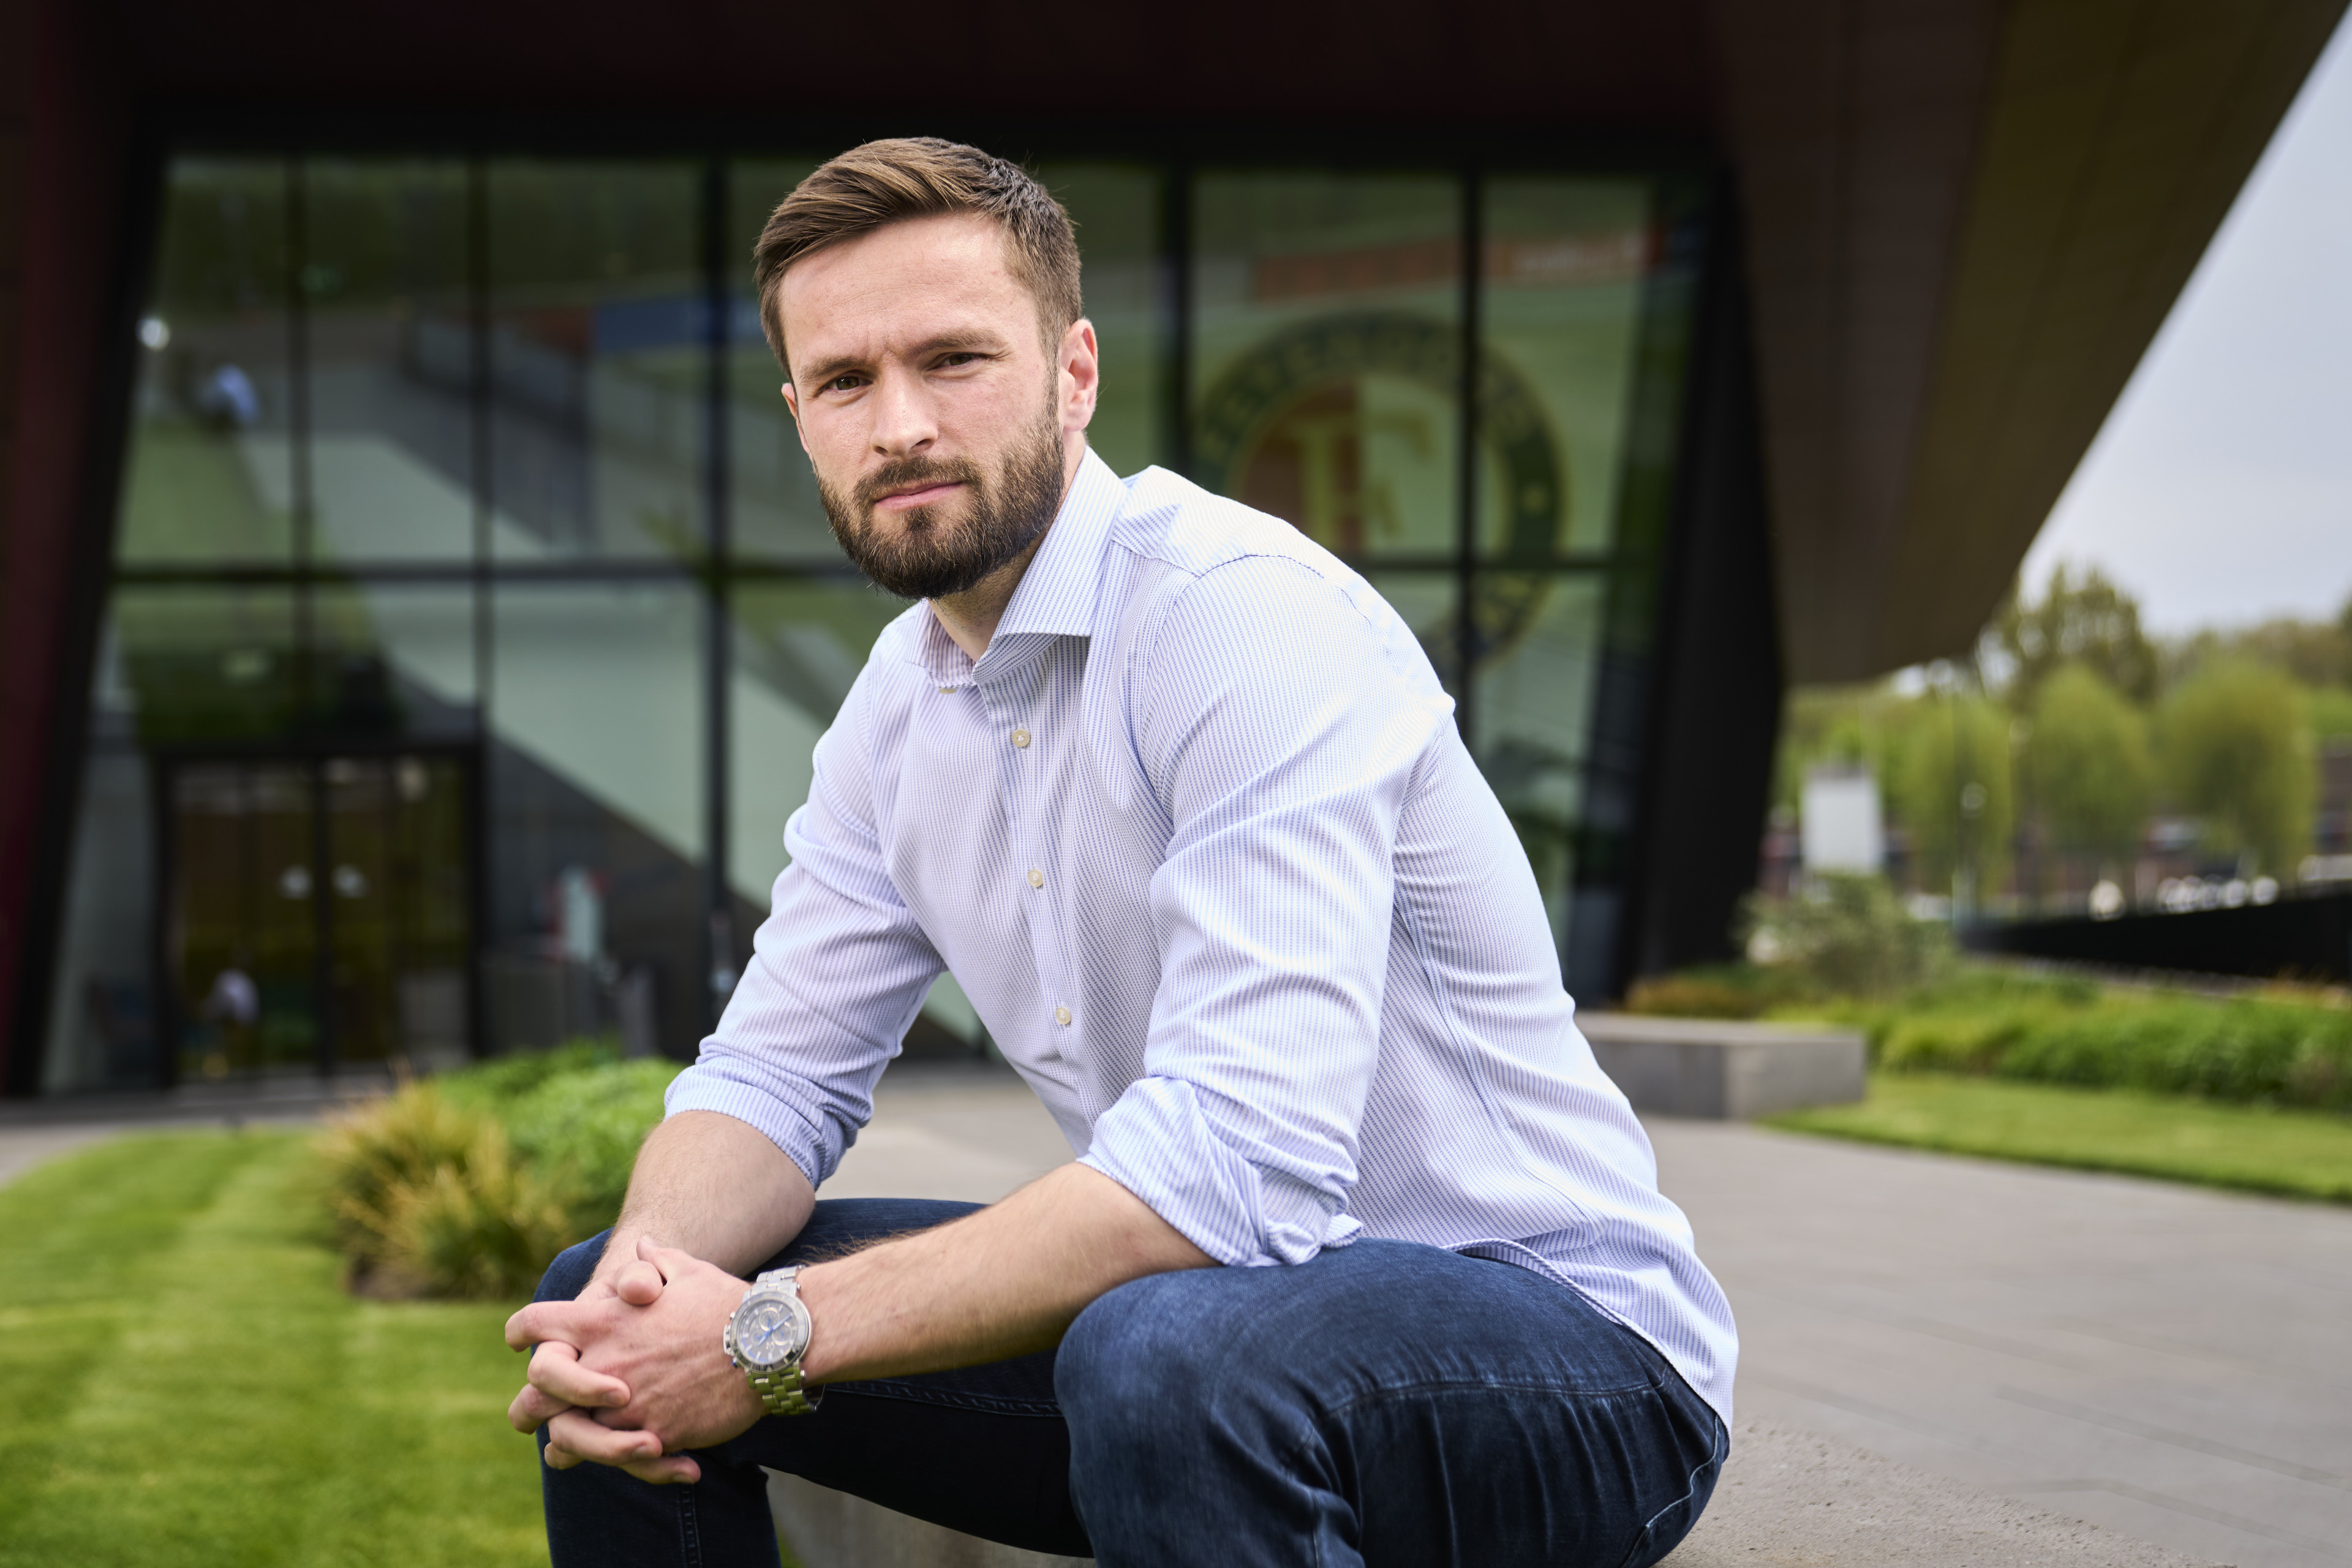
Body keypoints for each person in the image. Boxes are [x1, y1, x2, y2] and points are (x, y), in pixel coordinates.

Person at [506, 137, 1736, 1568]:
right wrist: (650, 1292)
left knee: (1159, 1347)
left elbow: (1238, 1165)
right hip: (1207, 1337)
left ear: (1074, 371)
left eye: (954, 359)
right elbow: (773, 1079)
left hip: (1570, 1362)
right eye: (844, 381)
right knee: (610, 1307)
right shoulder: (896, 714)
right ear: (798, 416)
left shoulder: (1241, 615)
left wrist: (766, 1332)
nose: (900, 423)